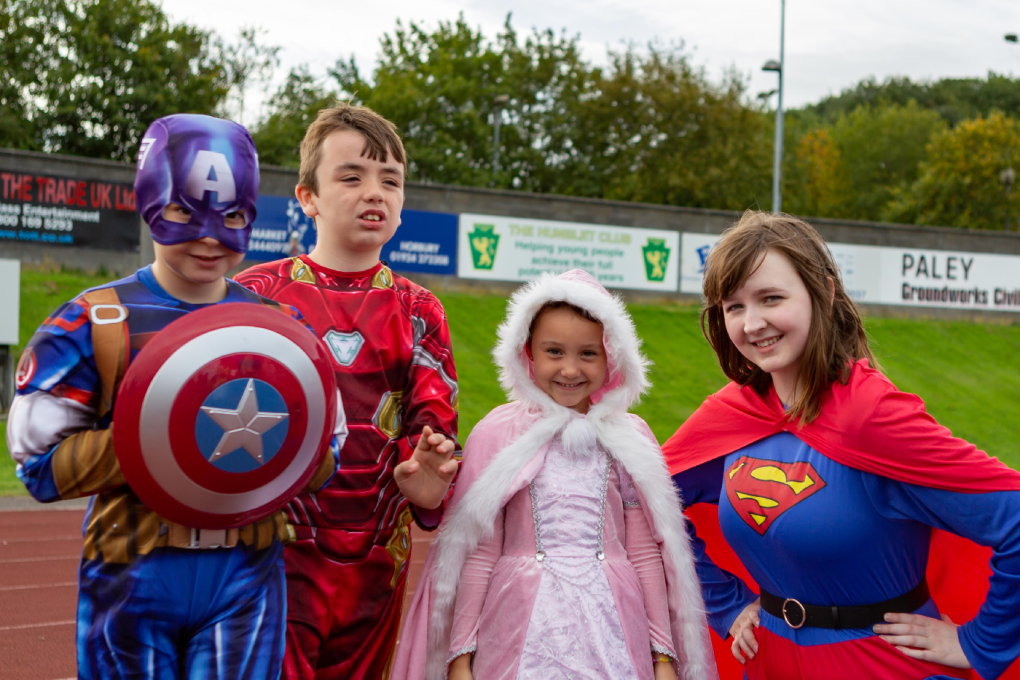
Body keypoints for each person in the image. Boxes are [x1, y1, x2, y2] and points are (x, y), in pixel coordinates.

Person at [5, 113, 344, 679]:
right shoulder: (95, 321)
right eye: (185, 212)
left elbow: (323, 457)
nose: (209, 236)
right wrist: (162, 436)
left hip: (245, 575)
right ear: (150, 203)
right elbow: (38, 465)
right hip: (131, 573)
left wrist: (272, 444)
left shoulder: (281, 330)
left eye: (232, 217)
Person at [663, 211, 1020, 680]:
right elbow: (647, 502)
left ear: (824, 293)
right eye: (734, 307)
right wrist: (724, 604)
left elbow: (1014, 515)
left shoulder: (871, 416)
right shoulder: (729, 416)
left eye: (771, 298)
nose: (752, 323)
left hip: (881, 666)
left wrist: (981, 644)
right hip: (767, 664)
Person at [391, 269, 716, 680]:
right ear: (528, 352)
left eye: (588, 353)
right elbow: (478, 549)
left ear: (612, 355)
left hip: (613, 625)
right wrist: (460, 656)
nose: (570, 369)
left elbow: (645, 551)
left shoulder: (629, 438)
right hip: (517, 623)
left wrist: (662, 656)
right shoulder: (500, 433)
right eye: (554, 352)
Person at [234, 103, 459, 680]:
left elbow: (434, 431)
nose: (374, 192)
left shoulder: (419, 310)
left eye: (391, 181)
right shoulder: (254, 295)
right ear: (307, 196)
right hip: (270, 550)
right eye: (352, 176)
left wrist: (431, 479)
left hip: (378, 560)